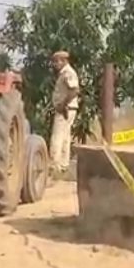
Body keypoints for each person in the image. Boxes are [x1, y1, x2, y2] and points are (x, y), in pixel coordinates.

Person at [49, 50, 80, 178]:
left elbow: (75, 90)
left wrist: (63, 104)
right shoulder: (64, 73)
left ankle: (55, 165)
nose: (55, 64)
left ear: (63, 61)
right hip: (68, 108)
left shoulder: (68, 73)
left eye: (57, 61)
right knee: (65, 137)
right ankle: (63, 165)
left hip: (66, 109)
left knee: (57, 137)